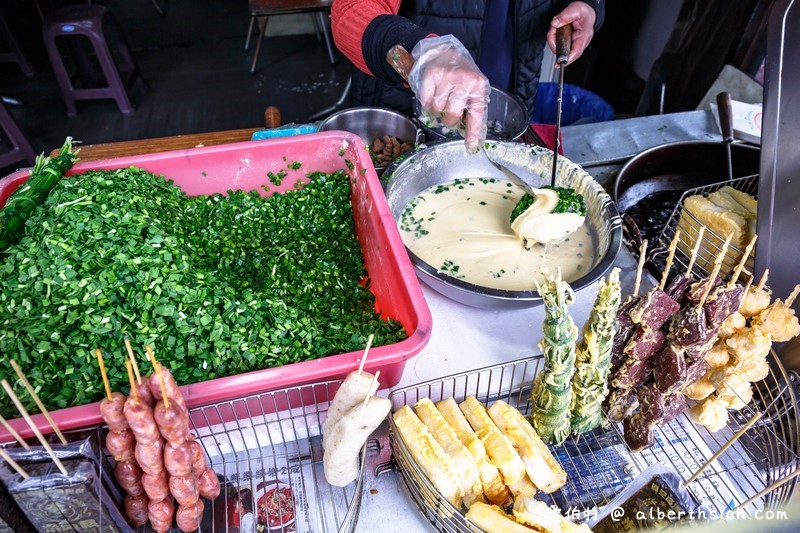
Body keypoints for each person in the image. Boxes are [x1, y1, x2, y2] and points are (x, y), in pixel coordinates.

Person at [331, 0, 604, 152]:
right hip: (402, 109)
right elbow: (349, 12)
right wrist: (423, 50)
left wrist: (590, 6)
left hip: (512, 91)